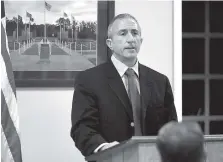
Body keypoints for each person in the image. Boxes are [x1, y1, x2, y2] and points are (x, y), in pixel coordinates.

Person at [70, 13, 178, 157]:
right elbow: (82, 127)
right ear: (110, 43)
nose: (130, 39)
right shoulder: (89, 80)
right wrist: (104, 148)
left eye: (135, 33)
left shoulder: (160, 81)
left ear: (141, 40)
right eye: (123, 33)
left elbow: (171, 128)